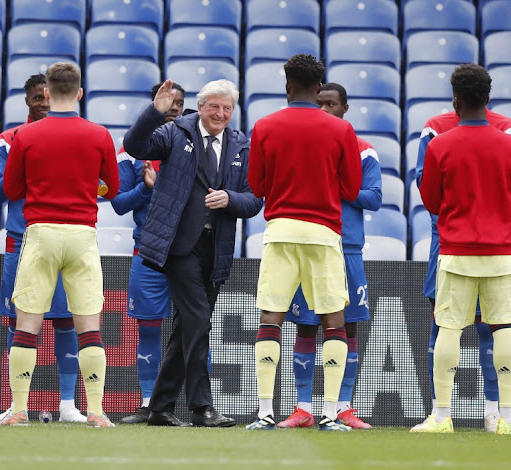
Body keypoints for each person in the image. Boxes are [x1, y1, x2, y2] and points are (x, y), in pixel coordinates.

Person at [123, 79, 262, 428]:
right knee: (199, 320)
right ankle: (202, 407)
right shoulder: (174, 132)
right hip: (177, 246)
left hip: (215, 250)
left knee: (186, 326)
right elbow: (135, 145)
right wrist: (155, 112)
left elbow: (254, 200)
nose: (220, 113)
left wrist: (230, 199)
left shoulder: (242, 145)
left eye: (226, 108)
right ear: (199, 108)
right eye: (213, 106)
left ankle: (159, 408)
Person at [413, 74, 511, 434]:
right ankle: (507, 418)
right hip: (499, 252)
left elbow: (431, 201)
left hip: (455, 252)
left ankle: (440, 417)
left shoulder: (441, 145)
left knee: (449, 329)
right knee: (504, 329)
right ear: (488, 98)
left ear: (456, 99)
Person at [245, 54, 362, 432]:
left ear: (287, 86)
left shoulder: (264, 126)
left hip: (280, 230)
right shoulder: (341, 131)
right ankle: (330, 412)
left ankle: (264, 412)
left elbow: (257, 187)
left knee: (271, 317)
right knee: (333, 320)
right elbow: (352, 188)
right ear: (319, 87)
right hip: (324, 233)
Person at [1, 62, 119, 427]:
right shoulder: (99, 135)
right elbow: (111, 189)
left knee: (27, 324)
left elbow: (10, 189)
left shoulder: (26, 135)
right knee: (88, 326)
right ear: (80, 93)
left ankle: (19, 409)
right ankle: (96, 412)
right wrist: (86, 188)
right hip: (81, 234)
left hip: (40, 233)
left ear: (48, 94)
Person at [277, 82, 381, 430]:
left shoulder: (363, 151)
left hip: (346, 247)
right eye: (319, 103)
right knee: (305, 326)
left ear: (344, 108)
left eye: (331, 104)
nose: (324, 109)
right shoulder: (306, 148)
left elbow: (374, 197)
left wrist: (339, 184)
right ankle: (303, 407)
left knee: (346, 326)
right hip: (310, 245)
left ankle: (341, 407)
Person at [0, 73, 86, 424]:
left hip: (62, 240)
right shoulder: (9, 141)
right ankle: (18, 405)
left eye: (45, 97)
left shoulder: (78, 136)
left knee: (65, 324)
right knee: (18, 325)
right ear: (27, 101)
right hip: (21, 240)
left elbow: (103, 187)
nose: (43, 104)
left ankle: (67, 404)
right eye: (35, 99)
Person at [111, 82, 185, 424]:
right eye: (168, 101)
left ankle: (197, 403)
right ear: (155, 103)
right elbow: (118, 203)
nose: (174, 106)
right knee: (149, 329)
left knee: (195, 330)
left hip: (187, 252)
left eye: (179, 102)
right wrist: (145, 187)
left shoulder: (195, 144)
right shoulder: (130, 153)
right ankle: (147, 403)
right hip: (147, 251)